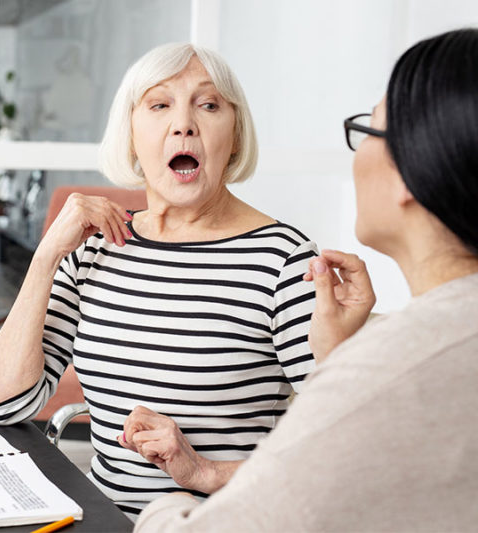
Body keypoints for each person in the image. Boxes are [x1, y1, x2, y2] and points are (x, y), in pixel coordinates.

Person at [132, 28, 478, 531]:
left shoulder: (395, 357)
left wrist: (159, 506)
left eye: (369, 131)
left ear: (409, 169)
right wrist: (342, 359)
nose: (183, 125)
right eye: (158, 106)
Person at [0, 42, 319, 518]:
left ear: (236, 136)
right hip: (101, 520)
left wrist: (203, 472)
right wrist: (47, 257)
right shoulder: (95, 248)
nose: (184, 123)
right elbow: (8, 406)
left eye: (208, 105)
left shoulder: (284, 259)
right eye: (160, 105)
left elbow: (335, 451)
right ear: (131, 136)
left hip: (224, 524)